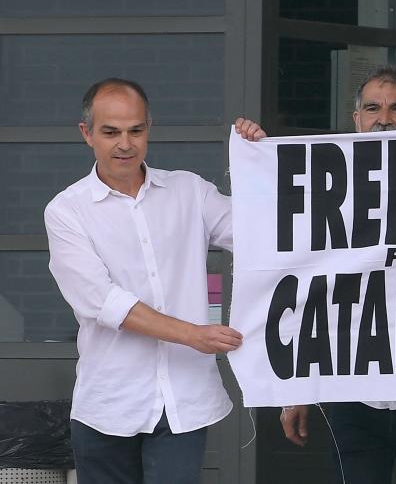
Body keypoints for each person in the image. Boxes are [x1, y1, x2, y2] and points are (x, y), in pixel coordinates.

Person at [45, 77, 265, 484]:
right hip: (108, 404)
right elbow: (102, 301)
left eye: (135, 130)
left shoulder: (189, 191)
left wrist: (260, 162)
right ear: (86, 133)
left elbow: (262, 235)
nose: (125, 144)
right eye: (111, 132)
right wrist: (193, 335)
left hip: (183, 400)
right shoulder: (66, 211)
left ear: (149, 128)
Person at [276, 65, 396, 484]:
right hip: (352, 395)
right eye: (372, 108)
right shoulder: (322, 192)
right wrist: (296, 389)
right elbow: (305, 285)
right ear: (357, 119)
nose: (384, 118)